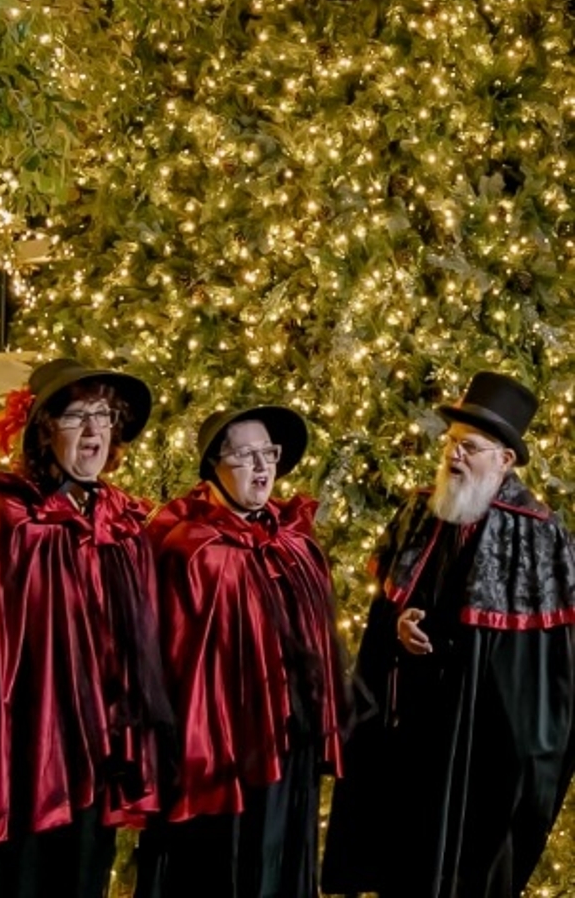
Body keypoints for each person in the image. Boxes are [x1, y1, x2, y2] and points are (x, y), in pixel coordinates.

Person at [0, 357, 175, 898]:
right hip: (19, 759)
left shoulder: (124, 528)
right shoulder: (7, 520)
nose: (93, 431)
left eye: (104, 416)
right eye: (76, 416)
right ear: (42, 429)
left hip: (97, 758)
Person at [321, 370, 575, 898]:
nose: (455, 456)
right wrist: (398, 624)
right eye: (453, 444)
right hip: (411, 734)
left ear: (504, 460)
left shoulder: (539, 536)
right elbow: (386, 612)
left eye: (471, 448)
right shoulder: (421, 512)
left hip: (483, 750)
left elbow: (548, 675)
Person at [135, 404, 349, 898]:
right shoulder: (191, 548)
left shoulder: (294, 542)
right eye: (245, 455)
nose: (261, 467)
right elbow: (166, 661)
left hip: (290, 746)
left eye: (268, 453)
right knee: (222, 871)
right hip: (221, 756)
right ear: (214, 464)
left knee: (282, 861)